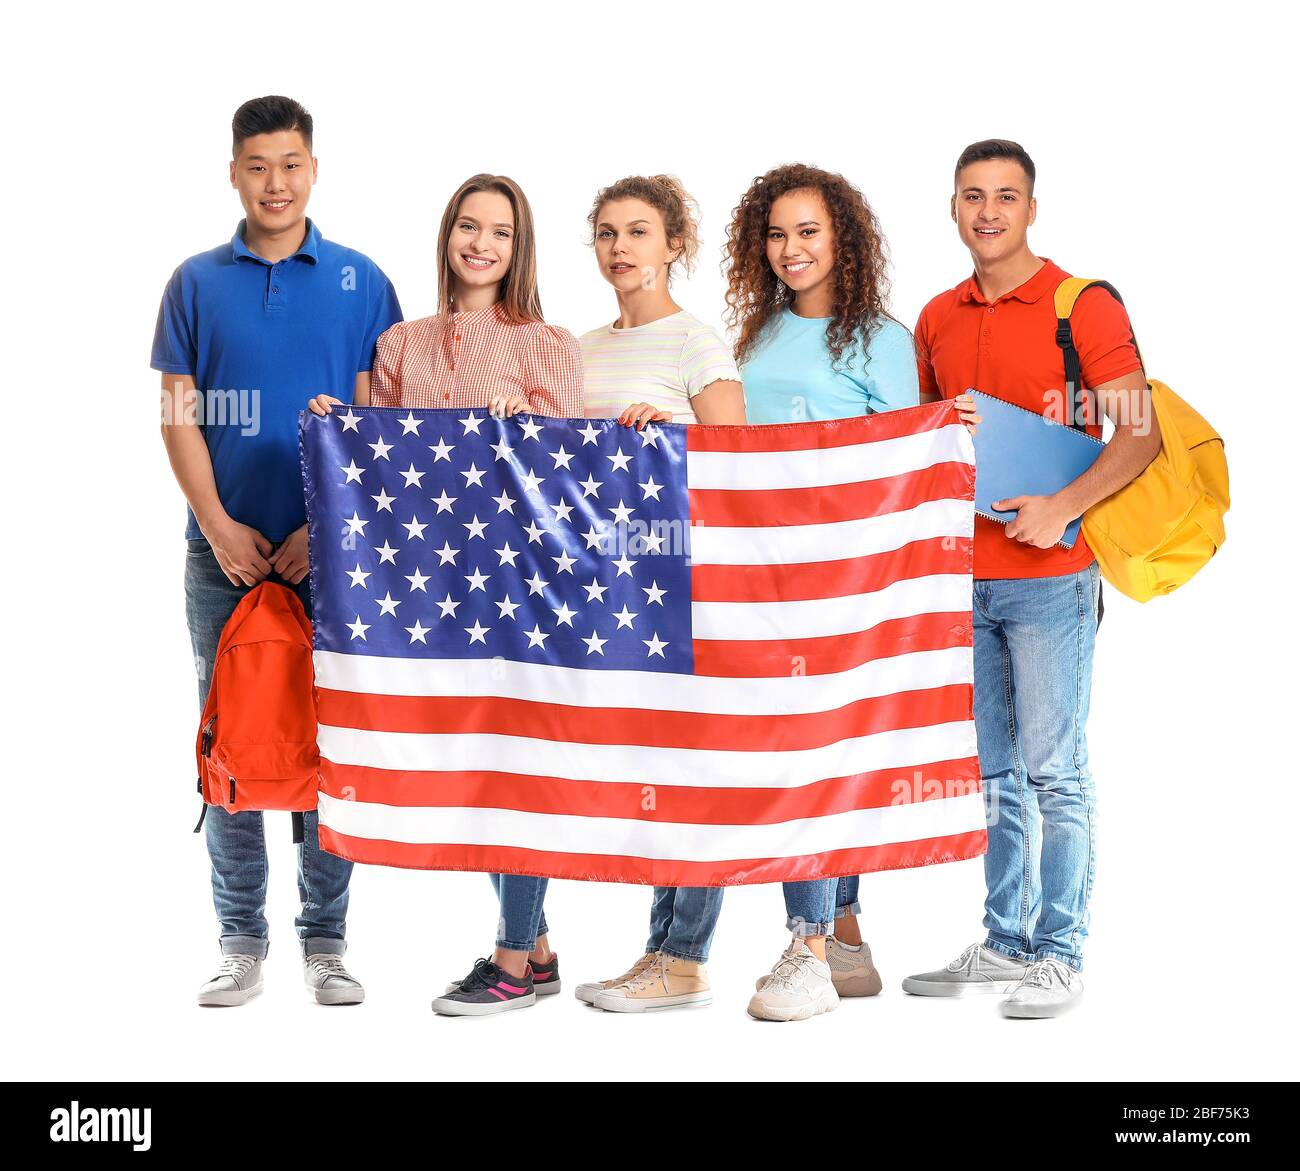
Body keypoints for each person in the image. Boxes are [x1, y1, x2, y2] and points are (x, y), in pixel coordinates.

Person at [309, 173, 583, 1016]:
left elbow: (571, 469)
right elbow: (376, 460)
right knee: (475, 766)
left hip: (523, 586)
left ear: (518, 247)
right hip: (433, 585)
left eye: (500, 232)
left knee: (519, 763)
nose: (481, 244)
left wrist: (524, 428)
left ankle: (509, 955)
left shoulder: (549, 345)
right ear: (448, 234)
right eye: (469, 226)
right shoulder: (401, 346)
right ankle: (535, 949)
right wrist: (336, 423)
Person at [153, 95, 402, 1007]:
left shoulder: (362, 281)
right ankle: (239, 940)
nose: (276, 182)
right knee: (232, 743)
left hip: (332, 560)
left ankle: (326, 942)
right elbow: (180, 413)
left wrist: (326, 529)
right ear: (234, 172)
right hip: (219, 559)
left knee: (324, 745)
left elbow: (377, 420)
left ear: (314, 169)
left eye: (291, 163)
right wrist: (218, 525)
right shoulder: (193, 281)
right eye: (258, 165)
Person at [902, 139, 1160, 1018]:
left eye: (1005, 196)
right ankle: (1005, 942)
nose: (988, 212)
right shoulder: (936, 316)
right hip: (964, 581)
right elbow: (929, 443)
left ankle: (1059, 951)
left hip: (1054, 576)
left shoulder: (1078, 305)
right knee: (994, 773)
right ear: (953, 208)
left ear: (1031, 209)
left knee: (1056, 770)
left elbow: (1141, 434)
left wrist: (1061, 505)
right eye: (972, 195)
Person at [724, 162, 921, 1021]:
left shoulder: (882, 337)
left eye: (808, 231)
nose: (791, 248)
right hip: (769, 572)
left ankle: (806, 948)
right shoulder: (758, 336)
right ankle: (843, 933)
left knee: (816, 752)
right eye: (776, 233)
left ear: (842, 236)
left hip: (850, 576)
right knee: (805, 748)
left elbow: (907, 461)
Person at [572, 174, 746, 1013]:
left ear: (675, 243)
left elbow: (745, 466)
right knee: (650, 773)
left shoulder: (695, 344)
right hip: (609, 593)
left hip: (686, 586)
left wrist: (669, 439)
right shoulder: (580, 349)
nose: (621, 248)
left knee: (691, 769)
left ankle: (684, 956)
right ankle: (664, 947)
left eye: (639, 231)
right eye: (607, 232)